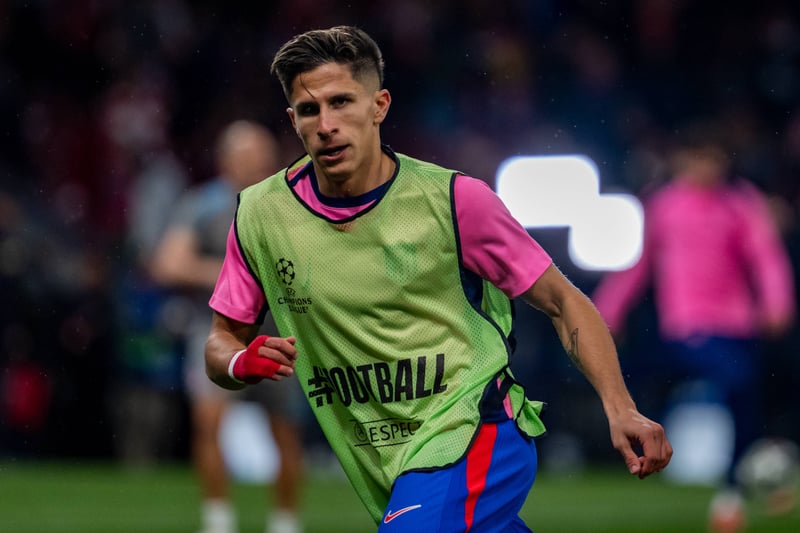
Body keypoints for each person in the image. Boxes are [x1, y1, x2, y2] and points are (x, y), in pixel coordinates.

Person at [205, 26, 672, 532]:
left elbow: (562, 300)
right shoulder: (260, 216)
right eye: (309, 110)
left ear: (379, 105)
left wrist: (621, 408)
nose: (326, 125)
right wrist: (237, 362)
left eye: (341, 102)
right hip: (388, 461)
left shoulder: (454, 201)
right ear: (292, 120)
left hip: (476, 428)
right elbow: (221, 340)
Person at [592, 120, 796, 533]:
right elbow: (637, 264)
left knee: (750, 393)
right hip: (688, 326)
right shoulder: (665, 206)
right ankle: (741, 480)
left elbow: (765, 256)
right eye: (700, 159)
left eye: (715, 160)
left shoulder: (739, 203)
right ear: (684, 160)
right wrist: (607, 311)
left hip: (738, 323)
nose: (708, 168)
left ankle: (738, 490)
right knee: (738, 382)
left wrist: (777, 303)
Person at [151, 120, 306, 533]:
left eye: (263, 155)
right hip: (217, 331)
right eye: (248, 155)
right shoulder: (203, 204)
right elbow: (168, 263)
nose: (258, 163)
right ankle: (218, 520)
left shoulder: (289, 204)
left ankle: (286, 522)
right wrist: (235, 280)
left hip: (279, 331)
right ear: (226, 161)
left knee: (285, 431)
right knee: (209, 424)